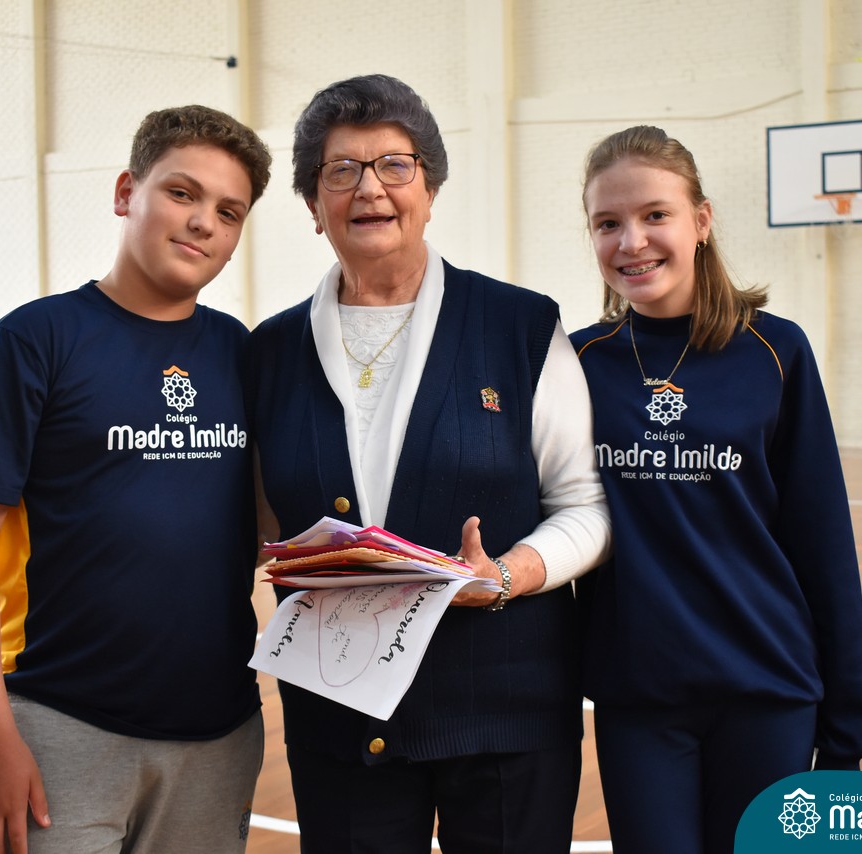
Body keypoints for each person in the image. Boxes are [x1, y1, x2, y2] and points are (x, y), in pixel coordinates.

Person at [246, 74, 612, 853]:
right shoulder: (269, 352)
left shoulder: (519, 326)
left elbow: (585, 503)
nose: (369, 187)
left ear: (430, 188)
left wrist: (507, 574)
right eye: (341, 170)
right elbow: (256, 521)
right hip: (340, 716)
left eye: (394, 165)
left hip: (507, 713)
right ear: (312, 203)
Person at [0, 105, 272, 854]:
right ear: (126, 193)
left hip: (220, 732)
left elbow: (260, 529)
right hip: (59, 724)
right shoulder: (32, 342)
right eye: (181, 193)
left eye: (229, 212)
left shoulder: (240, 353)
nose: (203, 222)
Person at [569, 125, 862, 854]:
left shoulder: (776, 351)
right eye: (607, 223)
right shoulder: (578, 363)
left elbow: (823, 542)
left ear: (701, 220)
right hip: (640, 700)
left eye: (655, 214)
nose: (632, 241)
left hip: (767, 690)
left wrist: (846, 731)